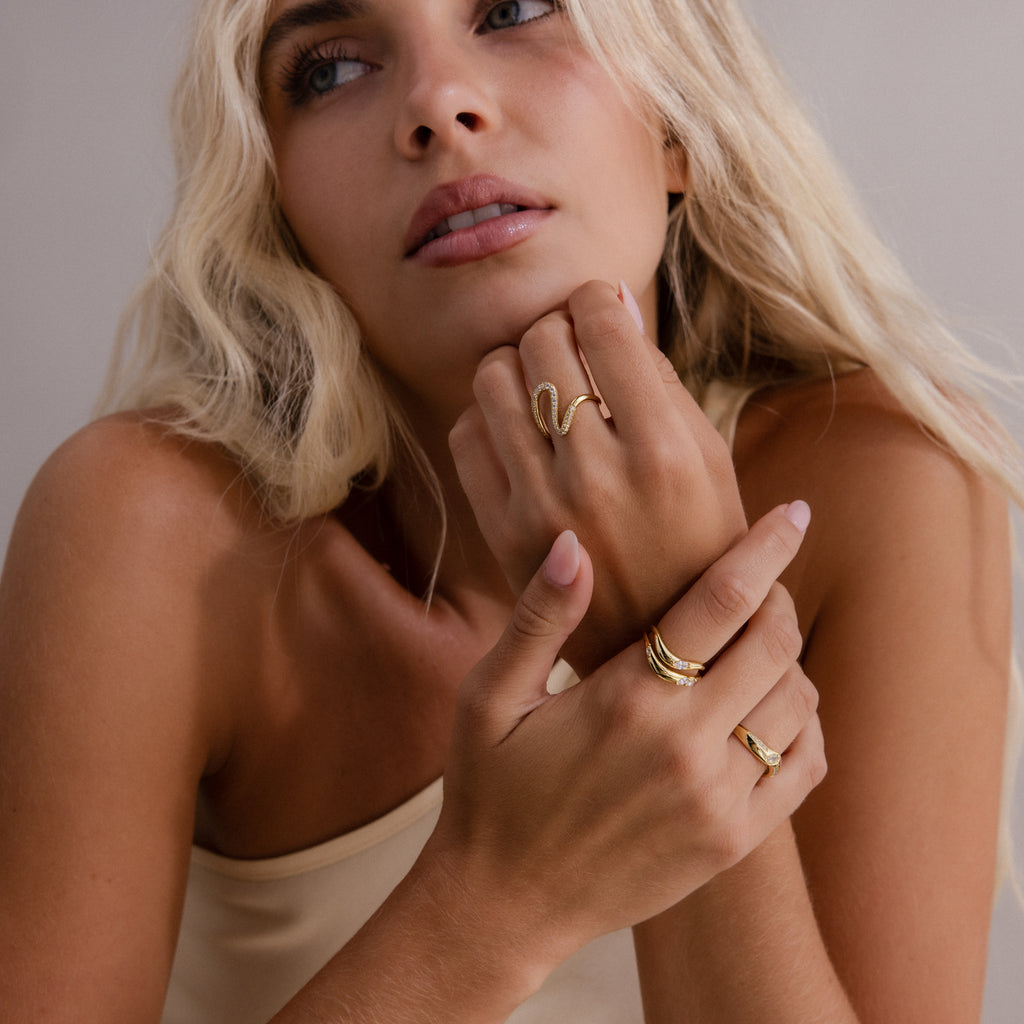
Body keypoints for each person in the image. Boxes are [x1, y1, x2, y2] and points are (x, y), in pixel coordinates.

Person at [0, 0, 1018, 1021]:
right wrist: (499, 897)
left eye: (516, 9)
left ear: (674, 125)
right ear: (279, 206)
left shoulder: (893, 484)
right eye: (330, 70)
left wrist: (669, 635)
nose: (438, 106)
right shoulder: (151, 535)